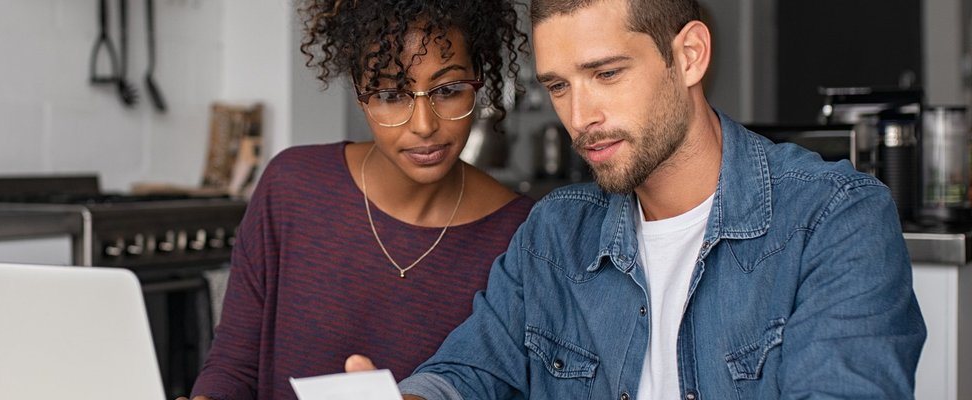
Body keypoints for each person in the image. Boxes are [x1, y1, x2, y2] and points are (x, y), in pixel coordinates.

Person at [347, 0, 928, 398]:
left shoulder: (835, 219)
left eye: (606, 74)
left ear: (690, 56)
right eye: (559, 85)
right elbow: (469, 371)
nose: (580, 118)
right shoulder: (554, 234)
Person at [184, 1, 532, 399]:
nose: (424, 125)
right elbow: (233, 365)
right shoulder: (291, 187)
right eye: (390, 94)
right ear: (360, 93)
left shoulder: (523, 234)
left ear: (479, 79)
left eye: (449, 90)